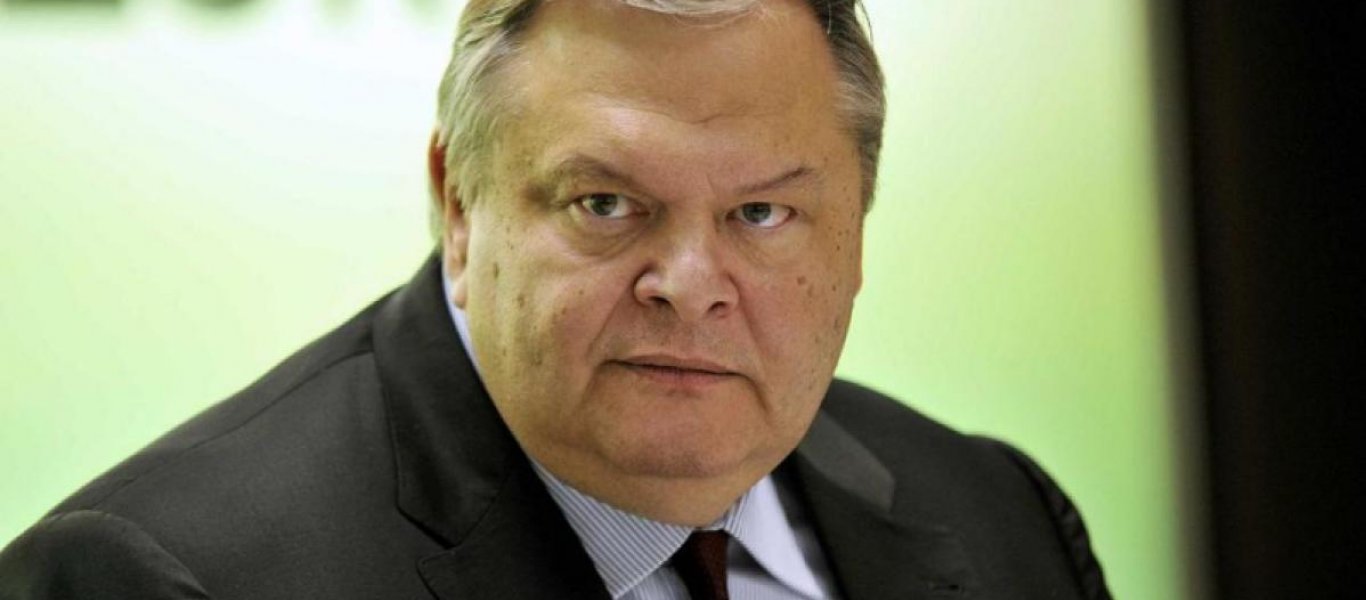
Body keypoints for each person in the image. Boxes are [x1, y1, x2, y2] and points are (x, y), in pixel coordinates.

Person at [0, 0, 1112, 598]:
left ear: (858, 226)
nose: (689, 288)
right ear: (458, 204)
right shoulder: (159, 577)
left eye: (761, 213)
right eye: (605, 204)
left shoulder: (1001, 519)